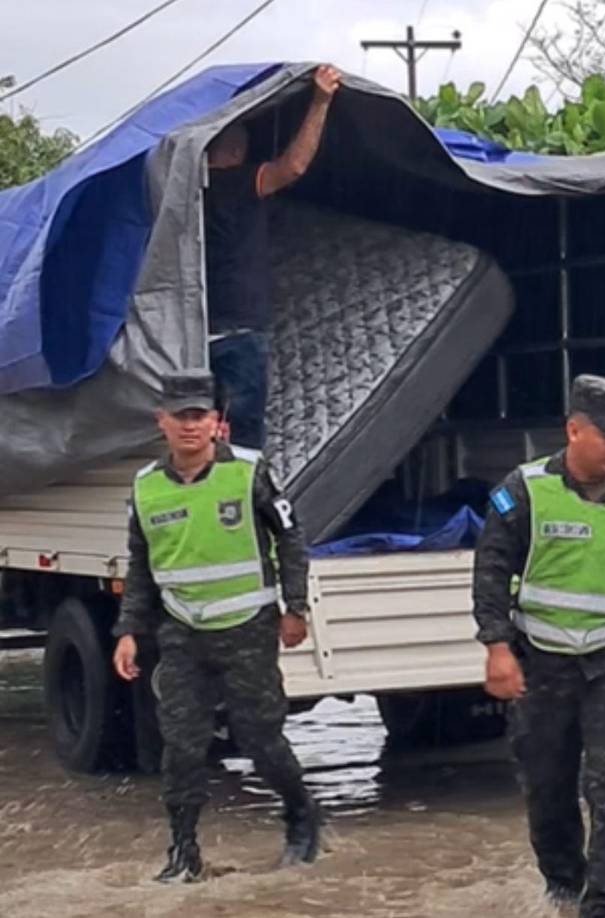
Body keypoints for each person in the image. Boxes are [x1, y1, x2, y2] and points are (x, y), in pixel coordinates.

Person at [473, 374, 605, 918]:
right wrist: (497, 646)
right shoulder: (523, 491)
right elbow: (491, 571)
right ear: (574, 430)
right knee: (548, 788)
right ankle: (565, 887)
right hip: (541, 661)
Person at [112, 370, 317, 881]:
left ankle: (301, 815)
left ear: (216, 423)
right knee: (182, 743)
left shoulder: (249, 472)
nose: (189, 426)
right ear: (162, 423)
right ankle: (184, 853)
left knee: (260, 738)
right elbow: (140, 566)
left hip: (247, 627)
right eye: (179, 417)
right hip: (181, 630)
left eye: (199, 416)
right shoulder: (146, 488)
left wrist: (296, 608)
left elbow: (291, 540)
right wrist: (128, 630)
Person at [205, 64, 342, 449]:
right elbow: (293, 166)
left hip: (194, 332)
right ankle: (245, 503)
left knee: (200, 433)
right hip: (239, 328)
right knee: (245, 436)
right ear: (235, 152)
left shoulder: (181, 193)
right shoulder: (234, 184)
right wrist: (320, 101)